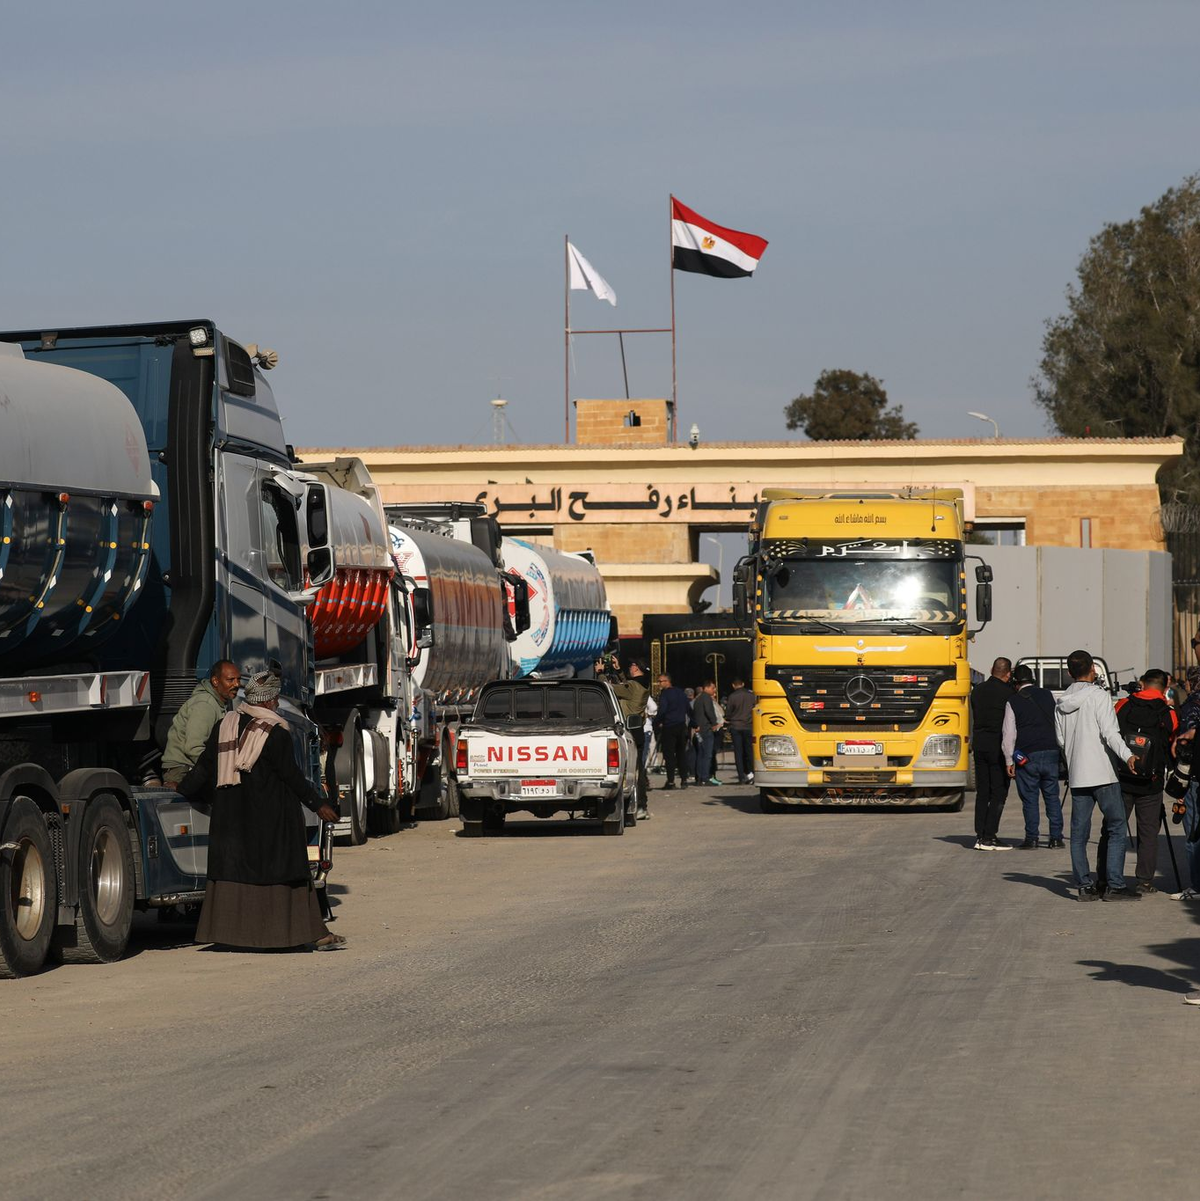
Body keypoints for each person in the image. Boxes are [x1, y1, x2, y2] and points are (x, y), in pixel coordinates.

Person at [179, 669, 345, 950]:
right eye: (276, 699)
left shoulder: (226, 725)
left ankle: (236, 936)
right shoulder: (274, 733)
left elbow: (204, 768)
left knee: (237, 873)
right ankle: (306, 933)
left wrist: (181, 790)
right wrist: (319, 805)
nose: (278, 704)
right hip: (270, 821)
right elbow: (291, 776)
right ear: (268, 702)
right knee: (284, 873)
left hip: (232, 822)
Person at [1055, 649, 1142, 902]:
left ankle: (1084, 886)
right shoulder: (1099, 696)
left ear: (1070, 673)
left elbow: (1061, 741)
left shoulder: (1061, 702)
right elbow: (1110, 733)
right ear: (1092, 668)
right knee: (1116, 827)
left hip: (1079, 775)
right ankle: (1114, 885)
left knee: (1079, 834)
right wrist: (1128, 756)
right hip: (1103, 773)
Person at [1099, 668, 1177, 894]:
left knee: (1113, 829)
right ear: (1165, 687)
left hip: (1122, 778)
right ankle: (1144, 881)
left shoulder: (1124, 704)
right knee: (1149, 832)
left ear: (1142, 683)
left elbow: (1109, 732)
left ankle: (1105, 876)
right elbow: (1173, 742)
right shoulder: (1167, 712)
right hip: (1151, 782)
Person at [1002, 663, 1063, 849]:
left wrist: (1008, 760)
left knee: (1030, 798)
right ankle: (1056, 838)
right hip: (1051, 751)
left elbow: (1009, 734)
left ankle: (1032, 838)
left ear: (1015, 682)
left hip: (1027, 756)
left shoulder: (1012, 701)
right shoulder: (1047, 695)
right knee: (1052, 796)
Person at [162, 660, 242, 789]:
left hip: (193, 768)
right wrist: (221, 768)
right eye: (230, 680)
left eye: (238, 679)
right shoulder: (205, 705)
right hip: (183, 771)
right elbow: (193, 747)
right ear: (215, 681)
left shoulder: (219, 703)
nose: (237, 684)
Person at [970, 657, 1014, 850]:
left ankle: (980, 834)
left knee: (983, 792)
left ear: (991, 669)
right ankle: (990, 836)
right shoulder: (1009, 693)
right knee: (998, 792)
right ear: (1008, 673)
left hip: (980, 745)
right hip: (997, 747)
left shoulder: (977, 691)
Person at [612, 658, 652, 820]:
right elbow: (628, 687)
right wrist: (619, 670)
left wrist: (600, 674)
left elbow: (612, 689)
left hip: (629, 732)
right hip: (637, 730)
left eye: (631, 665)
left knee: (633, 770)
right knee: (637, 769)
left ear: (636, 668)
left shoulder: (634, 686)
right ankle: (641, 805)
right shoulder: (642, 684)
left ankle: (640, 804)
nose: (630, 668)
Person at [654, 673, 691, 789]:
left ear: (667, 681)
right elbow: (688, 709)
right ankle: (684, 780)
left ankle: (671, 781)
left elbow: (662, 710)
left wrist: (656, 722)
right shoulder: (681, 693)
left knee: (669, 755)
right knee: (681, 754)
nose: (659, 684)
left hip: (669, 727)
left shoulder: (665, 694)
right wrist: (693, 723)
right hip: (681, 726)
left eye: (661, 681)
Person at [724, 678, 755, 785]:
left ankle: (741, 776)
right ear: (743, 684)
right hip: (748, 726)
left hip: (736, 726)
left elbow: (728, 713)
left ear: (733, 685)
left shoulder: (732, 697)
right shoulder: (751, 696)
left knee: (738, 752)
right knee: (749, 751)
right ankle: (751, 773)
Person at [693, 680, 724, 787]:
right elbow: (709, 711)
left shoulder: (698, 698)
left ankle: (699, 778)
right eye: (713, 688)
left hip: (699, 729)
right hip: (706, 729)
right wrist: (714, 723)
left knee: (700, 754)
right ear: (706, 688)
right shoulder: (706, 698)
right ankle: (705, 778)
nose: (714, 690)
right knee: (707, 755)